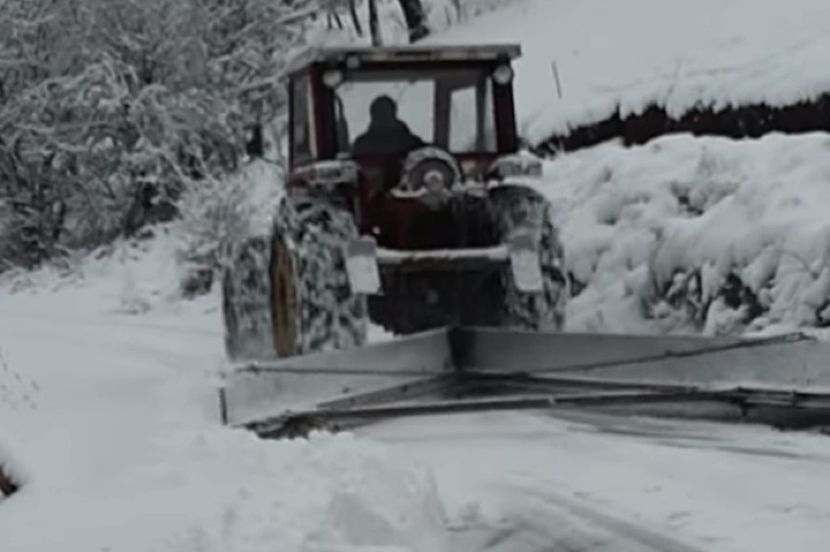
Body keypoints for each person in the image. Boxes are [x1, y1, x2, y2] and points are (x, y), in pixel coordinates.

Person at [352, 95, 425, 155]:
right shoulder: (362, 145)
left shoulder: (412, 145)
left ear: (393, 114)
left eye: (385, 113)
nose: (382, 118)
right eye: (379, 113)